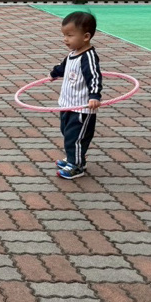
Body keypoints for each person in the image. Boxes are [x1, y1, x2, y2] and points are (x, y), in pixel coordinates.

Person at [49, 11, 102, 180]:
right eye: (64, 35)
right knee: (66, 131)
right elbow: (63, 67)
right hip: (67, 104)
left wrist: (94, 96)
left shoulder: (89, 57)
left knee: (75, 136)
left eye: (70, 35)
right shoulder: (73, 54)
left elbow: (95, 77)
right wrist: (54, 73)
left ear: (86, 37)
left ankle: (76, 165)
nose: (65, 39)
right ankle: (74, 158)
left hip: (82, 107)